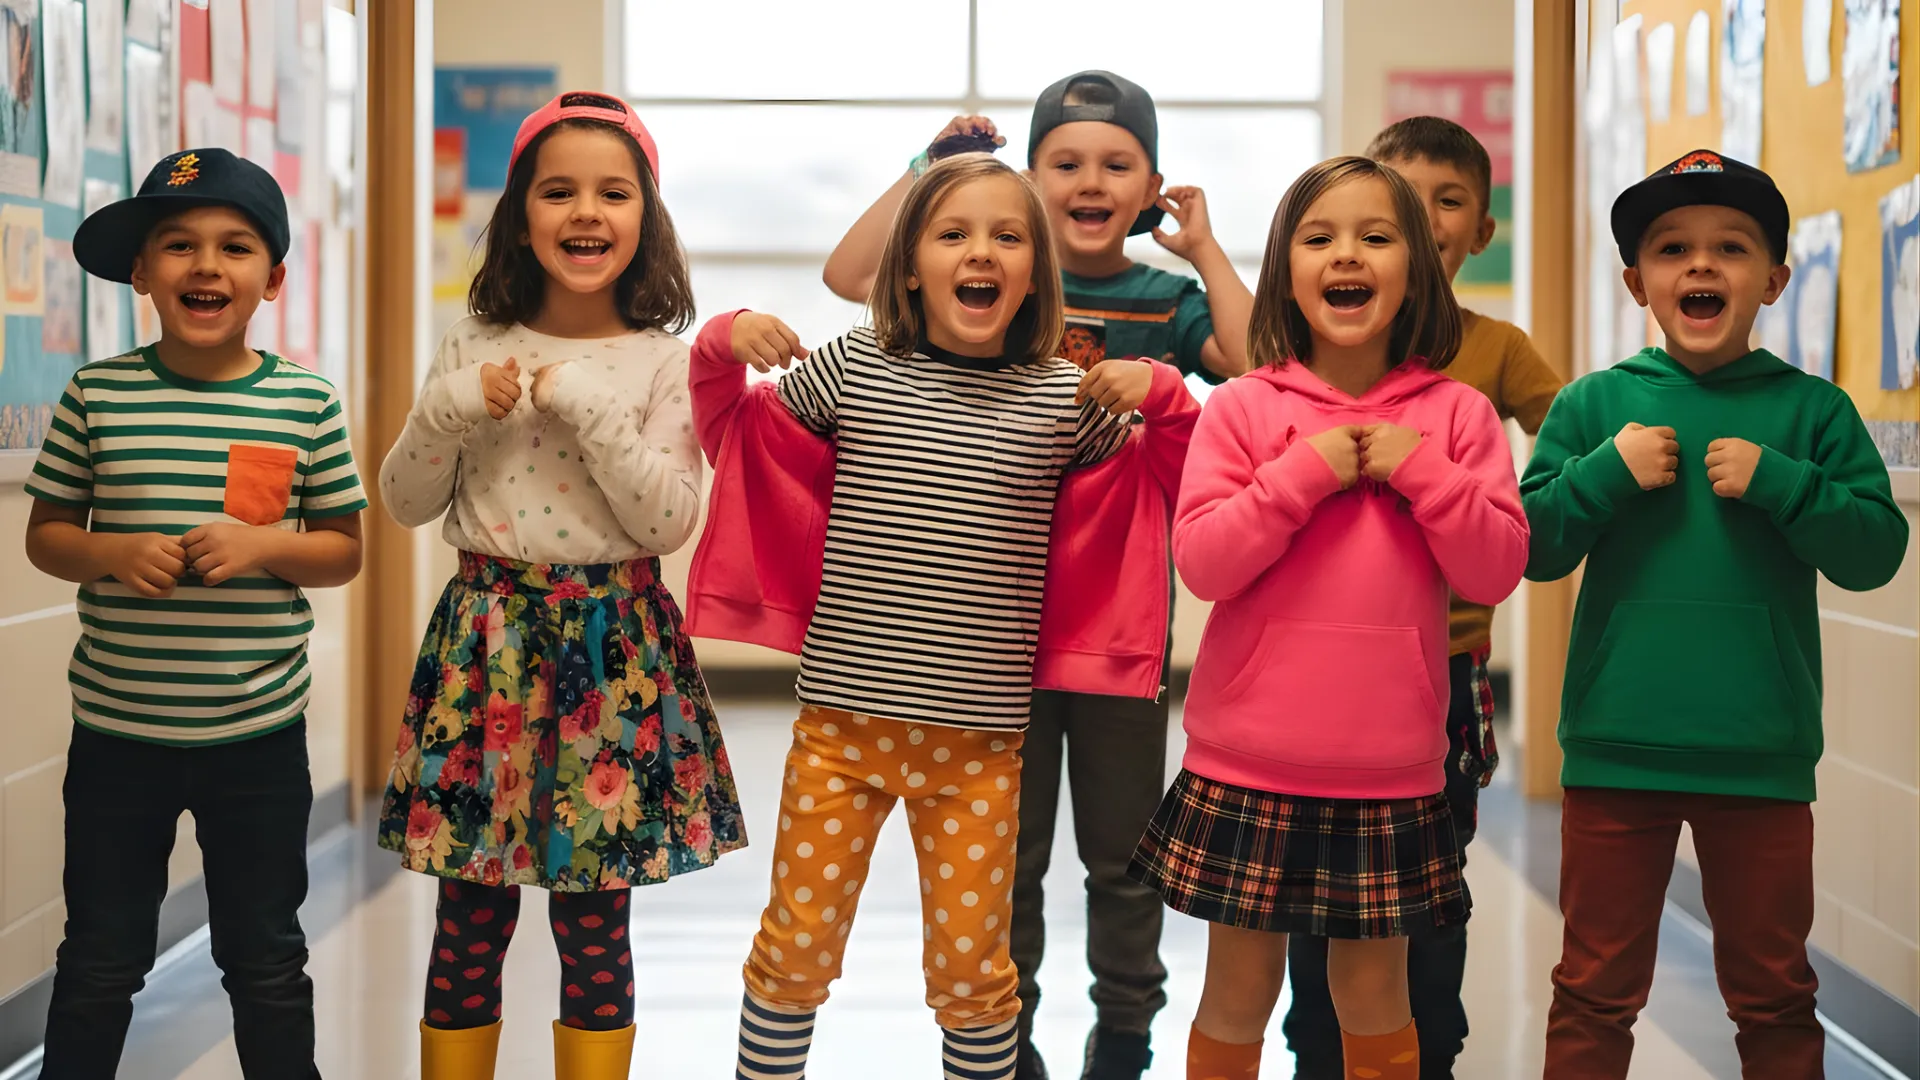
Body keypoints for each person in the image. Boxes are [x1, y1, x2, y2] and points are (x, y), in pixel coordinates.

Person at [686, 152, 1198, 1080]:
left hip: (982, 751)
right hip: (841, 734)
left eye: (1008, 236)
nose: (983, 253)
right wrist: (720, 340)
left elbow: (1173, 486)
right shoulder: (852, 368)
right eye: (954, 233)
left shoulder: (1061, 399)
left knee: (973, 974)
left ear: (1035, 270)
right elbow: (734, 436)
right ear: (911, 264)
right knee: (795, 953)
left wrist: (1166, 398)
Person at [820, 68, 1252, 1080]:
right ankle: (998, 1043)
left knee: (1122, 856)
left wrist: (1203, 247)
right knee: (1001, 862)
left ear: (1150, 184)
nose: (1087, 181)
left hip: (1117, 632)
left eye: (1114, 164)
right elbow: (852, 279)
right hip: (987, 632)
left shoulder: (1163, 300)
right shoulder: (996, 289)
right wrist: (933, 171)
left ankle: (1125, 1036)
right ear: (1027, 174)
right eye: (1062, 162)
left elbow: (1260, 358)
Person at [1128, 156, 1529, 1080]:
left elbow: (1497, 566)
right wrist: (1303, 474)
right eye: (1320, 237)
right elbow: (1207, 562)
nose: (1347, 254)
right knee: (1237, 988)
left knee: (1375, 994)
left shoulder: (1457, 414)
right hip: (1247, 757)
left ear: (1415, 271)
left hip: (1390, 766)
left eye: (1375, 236)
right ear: (1287, 270)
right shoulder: (1242, 407)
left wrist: (1419, 469)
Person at [374, 92, 746, 1080]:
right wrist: (444, 409)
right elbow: (404, 502)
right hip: (482, 638)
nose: (586, 211)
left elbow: (668, 522)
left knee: (593, 923)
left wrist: (591, 411)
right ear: (521, 216)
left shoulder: (665, 362)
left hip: (609, 646)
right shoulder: (472, 344)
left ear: (645, 217)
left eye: (613, 192)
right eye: (559, 191)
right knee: (469, 913)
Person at [1523, 149, 1908, 1080]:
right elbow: (1530, 548)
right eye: (1672, 248)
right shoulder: (1593, 407)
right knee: (1593, 991)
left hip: (1762, 758)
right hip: (1618, 752)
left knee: (1775, 995)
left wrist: (1784, 485)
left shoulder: (1812, 412)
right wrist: (1605, 473)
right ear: (1637, 280)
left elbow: (1874, 555)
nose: (1701, 266)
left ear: (1774, 279)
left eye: (1731, 248)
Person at [24, 148, 366, 1080]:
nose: (206, 266)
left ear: (273, 277)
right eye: (178, 246)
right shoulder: (98, 395)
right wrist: (109, 553)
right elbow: (48, 533)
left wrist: (263, 546)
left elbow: (344, 548)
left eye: (235, 247)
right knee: (100, 957)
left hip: (256, 734)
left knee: (264, 958)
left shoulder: (306, 402)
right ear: (142, 273)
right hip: (117, 733)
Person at [1283, 116, 1564, 1079]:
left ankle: (1426, 1049)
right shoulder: (1309, 361)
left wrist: (1532, 504)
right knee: (1313, 893)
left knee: (1427, 885)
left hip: (1443, 665)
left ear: (1476, 231)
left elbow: (1573, 429)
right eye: (1400, 200)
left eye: (1445, 203)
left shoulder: (1486, 363)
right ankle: (1318, 1048)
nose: (1419, 220)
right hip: (1317, 673)